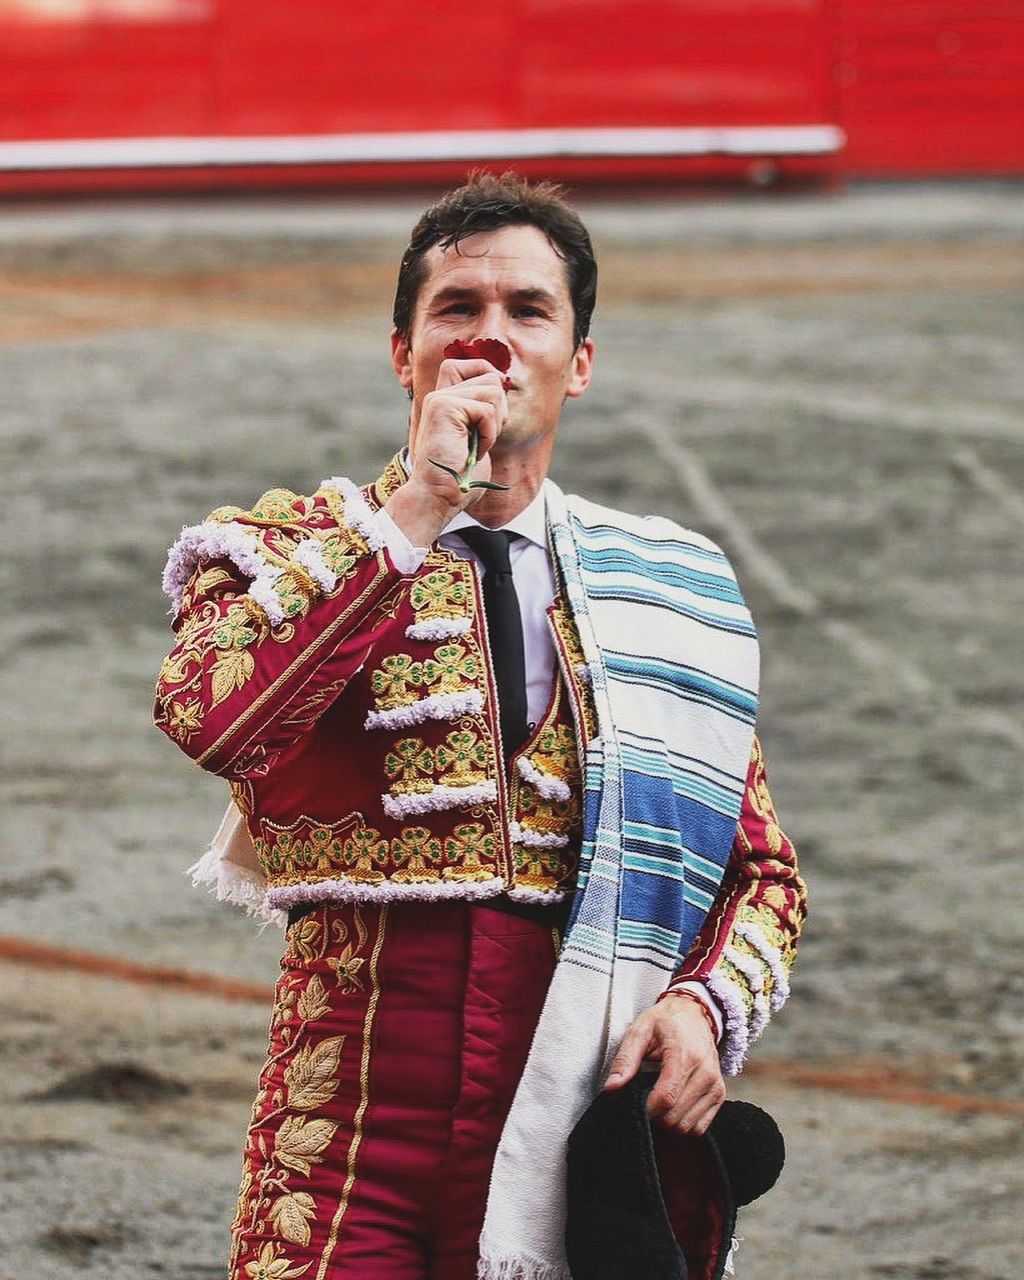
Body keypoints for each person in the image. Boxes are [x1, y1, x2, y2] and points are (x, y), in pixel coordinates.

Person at [154, 172, 806, 1280]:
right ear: (402, 353)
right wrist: (417, 505)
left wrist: (702, 1008)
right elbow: (212, 717)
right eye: (456, 307)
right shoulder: (284, 549)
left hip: (566, 1128)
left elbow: (762, 875)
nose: (490, 336)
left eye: (528, 311)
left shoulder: (663, 591)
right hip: (342, 1134)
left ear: (579, 362)